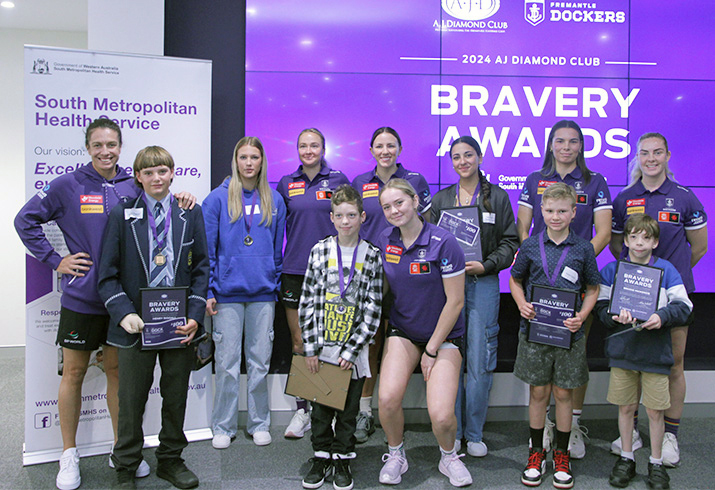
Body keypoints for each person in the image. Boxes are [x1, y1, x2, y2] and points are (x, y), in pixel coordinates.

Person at [14, 118, 194, 490]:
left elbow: (162, 206)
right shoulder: (68, 184)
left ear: (120, 146)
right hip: (82, 298)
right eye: (98, 145)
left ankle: (120, 449)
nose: (105, 151)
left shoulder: (135, 181)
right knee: (74, 374)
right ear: (88, 147)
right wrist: (55, 260)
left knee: (119, 377)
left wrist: (182, 198)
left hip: (125, 305)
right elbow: (25, 220)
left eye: (111, 144)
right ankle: (68, 454)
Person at [97, 146, 209, 490]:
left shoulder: (190, 212)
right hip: (136, 327)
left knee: (176, 396)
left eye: (162, 171)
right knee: (131, 400)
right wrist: (123, 312)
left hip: (177, 326)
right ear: (138, 177)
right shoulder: (122, 213)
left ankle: (171, 461)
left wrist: (194, 316)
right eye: (148, 173)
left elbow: (202, 268)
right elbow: (107, 274)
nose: (156, 178)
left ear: (172, 173)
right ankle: (126, 467)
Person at [516, 119, 613, 459]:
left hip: (576, 289)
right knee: (540, 368)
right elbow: (524, 228)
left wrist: (574, 262)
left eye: (573, 142)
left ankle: (570, 428)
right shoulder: (533, 180)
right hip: (539, 286)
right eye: (560, 141)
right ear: (551, 144)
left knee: (573, 359)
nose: (566, 147)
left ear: (581, 146)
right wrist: (542, 267)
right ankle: (540, 434)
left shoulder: (594, 181)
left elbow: (602, 233)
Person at [609, 132, 707, 466]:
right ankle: (634, 432)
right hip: (634, 294)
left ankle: (670, 435)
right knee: (636, 365)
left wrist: (667, 277)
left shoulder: (685, 197)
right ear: (637, 157)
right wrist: (639, 278)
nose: (651, 158)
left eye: (657, 152)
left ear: (667, 155)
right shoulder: (624, 198)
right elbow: (616, 245)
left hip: (672, 297)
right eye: (645, 153)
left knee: (673, 365)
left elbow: (700, 247)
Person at [377, 179, 472, 487]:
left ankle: (448, 456)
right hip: (404, 330)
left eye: (399, 203)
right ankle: (396, 454)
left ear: (415, 201)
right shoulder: (384, 241)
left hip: (443, 336)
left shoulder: (444, 242)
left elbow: (456, 301)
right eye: (387, 207)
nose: (394, 211)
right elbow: (384, 287)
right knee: (388, 398)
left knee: (442, 416)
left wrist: (431, 350)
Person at [431, 136, 519, 457]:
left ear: (480, 157)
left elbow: (510, 243)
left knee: (481, 358)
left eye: (468, 155)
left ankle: (475, 432)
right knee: (450, 358)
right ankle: (452, 430)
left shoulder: (497, 197)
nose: (462, 161)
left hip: (483, 283)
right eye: (456, 157)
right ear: (451, 162)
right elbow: (430, 244)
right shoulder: (441, 200)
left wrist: (486, 265)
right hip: (448, 287)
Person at [509, 183, 600, 489]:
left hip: (568, 334)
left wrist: (583, 316)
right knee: (538, 392)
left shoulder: (583, 248)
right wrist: (521, 303)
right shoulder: (531, 246)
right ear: (541, 212)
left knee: (562, 393)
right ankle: (536, 452)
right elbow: (515, 279)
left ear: (574, 213)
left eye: (562, 211)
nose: (555, 216)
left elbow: (593, 288)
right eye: (549, 211)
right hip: (535, 333)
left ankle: (561, 453)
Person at [595, 214, 691, 490]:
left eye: (646, 238)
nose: (639, 243)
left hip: (655, 353)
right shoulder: (613, 270)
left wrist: (662, 316)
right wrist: (614, 317)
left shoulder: (667, 270)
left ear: (655, 242)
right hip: (625, 352)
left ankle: (656, 462)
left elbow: (684, 306)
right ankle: (626, 457)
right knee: (626, 408)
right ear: (625, 240)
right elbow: (601, 307)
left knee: (655, 411)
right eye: (633, 237)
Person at [202, 137, 286, 449]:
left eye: (254, 157)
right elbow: (208, 250)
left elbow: (277, 250)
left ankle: (259, 422)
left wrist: (274, 282)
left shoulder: (274, 200)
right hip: (227, 294)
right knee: (225, 363)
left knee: (259, 362)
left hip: (263, 293)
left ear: (262, 162)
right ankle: (223, 425)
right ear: (235, 161)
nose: (249, 163)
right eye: (243, 157)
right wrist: (210, 288)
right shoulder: (216, 200)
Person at [350, 126, 432, 443]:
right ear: (371, 150)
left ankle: (394, 411)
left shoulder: (416, 181)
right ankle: (365, 412)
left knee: (398, 342)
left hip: (408, 271)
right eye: (379, 146)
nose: (385, 151)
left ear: (399, 148)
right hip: (370, 273)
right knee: (371, 342)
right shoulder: (359, 183)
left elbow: (428, 224)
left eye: (391, 145)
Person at [299, 185, 383, 490]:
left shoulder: (372, 255)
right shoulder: (319, 251)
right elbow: (307, 301)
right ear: (331, 218)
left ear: (362, 217)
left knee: (348, 410)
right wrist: (309, 347)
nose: (345, 221)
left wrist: (352, 350)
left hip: (353, 353)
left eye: (351, 215)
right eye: (339, 216)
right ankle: (321, 456)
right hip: (322, 347)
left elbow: (374, 308)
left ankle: (343, 458)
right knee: (320, 408)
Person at [277, 128, 351, 439]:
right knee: (299, 343)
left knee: (332, 342)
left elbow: (349, 220)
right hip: (295, 271)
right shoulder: (286, 183)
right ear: (297, 149)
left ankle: (330, 409)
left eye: (314, 145)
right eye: (303, 145)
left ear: (323, 148)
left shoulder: (338, 179)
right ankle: (302, 412)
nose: (309, 150)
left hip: (331, 272)